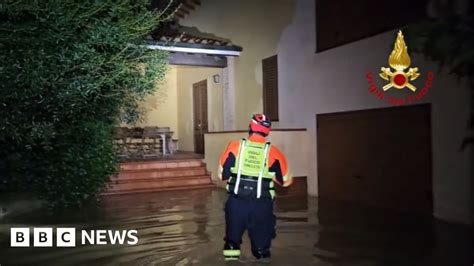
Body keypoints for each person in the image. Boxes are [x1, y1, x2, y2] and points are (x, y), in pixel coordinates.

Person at [218, 114, 293, 261]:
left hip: (236, 204)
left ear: (250, 128)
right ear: (267, 131)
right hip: (261, 206)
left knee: (232, 243)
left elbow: (222, 175)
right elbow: (286, 181)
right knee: (261, 249)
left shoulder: (234, 146)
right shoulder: (274, 152)